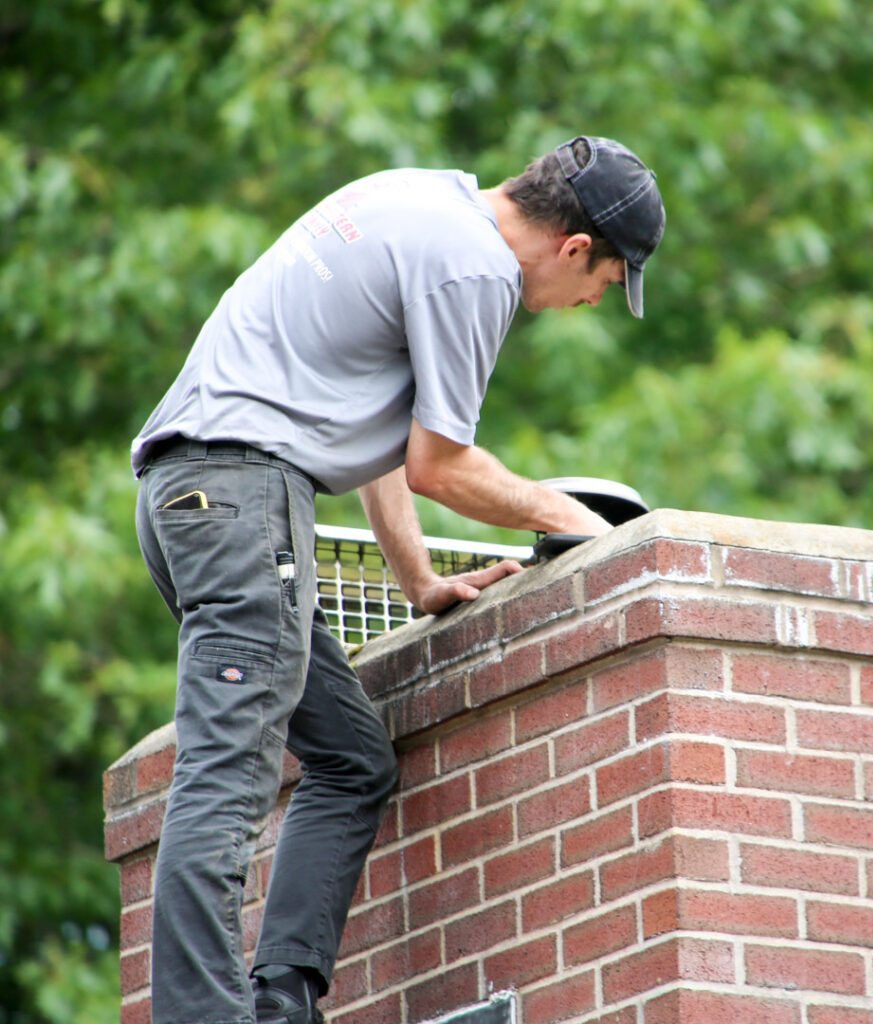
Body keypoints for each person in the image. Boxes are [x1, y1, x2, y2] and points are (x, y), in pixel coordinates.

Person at [132, 135, 665, 1024]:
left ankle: (282, 1001)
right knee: (226, 775)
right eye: (606, 281)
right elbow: (441, 465)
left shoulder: (416, 198)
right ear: (574, 246)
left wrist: (418, 579)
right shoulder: (476, 268)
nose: (592, 301)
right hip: (240, 498)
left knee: (352, 759)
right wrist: (580, 522)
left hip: (193, 498)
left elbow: (377, 430)